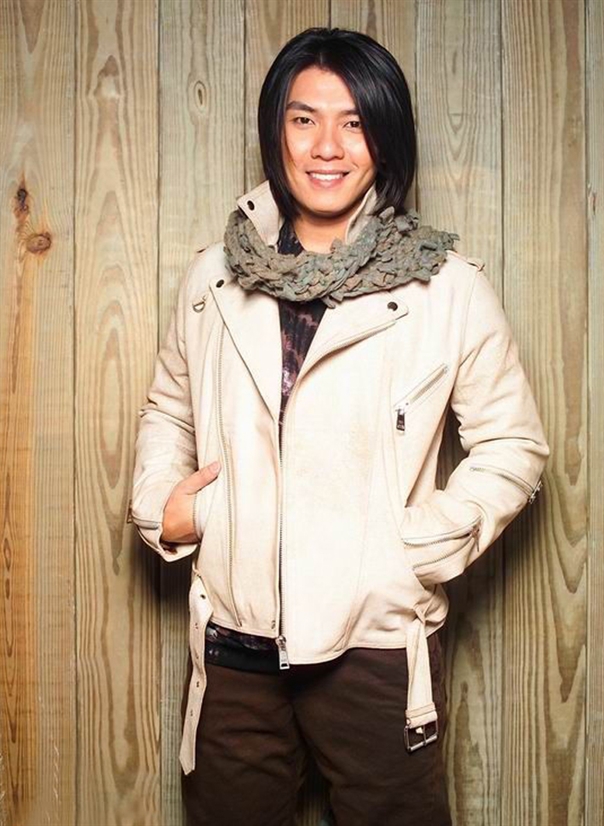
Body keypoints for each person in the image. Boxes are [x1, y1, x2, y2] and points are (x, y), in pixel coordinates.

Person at [130, 27, 550, 826]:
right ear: (276, 132)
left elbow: (512, 445)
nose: (327, 146)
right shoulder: (213, 277)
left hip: (377, 644)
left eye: (354, 122)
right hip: (234, 642)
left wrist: (412, 548)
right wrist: (167, 509)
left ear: (384, 138)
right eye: (304, 119)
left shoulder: (448, 289)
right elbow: (169, 409)